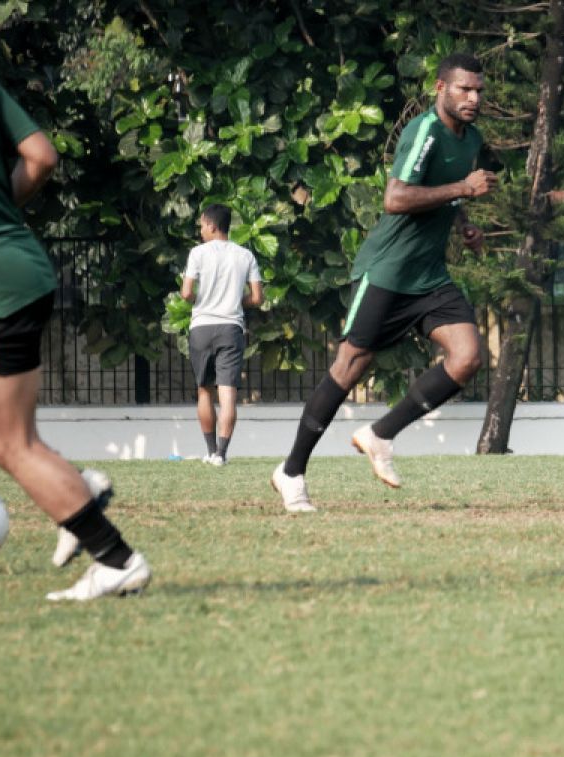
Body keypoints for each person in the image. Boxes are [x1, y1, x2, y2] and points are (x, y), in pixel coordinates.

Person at [0, 52, 151, 599]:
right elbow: (41, 157)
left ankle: (116, 559)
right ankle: (75, 484)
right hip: (11, 266)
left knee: (12, 442)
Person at [270, 53, 497, 512]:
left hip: (429, 275)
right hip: (389, 272)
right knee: (351, 364)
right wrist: (462, 191)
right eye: (463, 89)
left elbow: (451, 189)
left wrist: (464, 223)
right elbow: (396, 197)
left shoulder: (470, 139)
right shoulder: (424, 131)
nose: (473, 98)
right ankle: (291, 471)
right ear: (440, 89)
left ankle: (379, 434)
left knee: (468, 356)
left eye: (478, 90)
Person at [180, 203, 263, 466]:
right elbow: (258, 297)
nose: (201, 230)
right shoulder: (245, 256)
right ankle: (221, 455)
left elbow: (186, 293)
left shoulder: (197, 253)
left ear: (212, 225)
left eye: (202, 225)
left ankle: (209, 450)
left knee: (205, 391)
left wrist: (198, 300)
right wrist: (238, 302)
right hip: (231, 327)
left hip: (201, 326)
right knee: (228, 394)